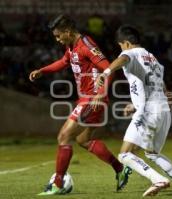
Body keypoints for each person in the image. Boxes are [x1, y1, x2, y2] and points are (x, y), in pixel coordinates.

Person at [28, 14, 131, 195]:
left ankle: (58, 184)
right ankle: (120, 169)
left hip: (93, 98)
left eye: (59, 36)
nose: (58, 40)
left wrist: (101, 92)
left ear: (68, 32)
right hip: (88, 98)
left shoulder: (86, 45)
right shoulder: (72, 46)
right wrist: (43, 71)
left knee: (64, 136)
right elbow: (64, 62)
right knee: (84, 140)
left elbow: (109, 68)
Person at [96, 25, 172, 197]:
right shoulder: (153, 59)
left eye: (120, 46)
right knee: (152, 154)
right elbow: (160, 87)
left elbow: (123, 59)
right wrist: (136, 105)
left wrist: (105, 73)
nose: (121, 49)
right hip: (162, 110)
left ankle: (158, 180)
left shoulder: (130, 53)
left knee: (125, 154)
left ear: (126, 43)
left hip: (149, 111)